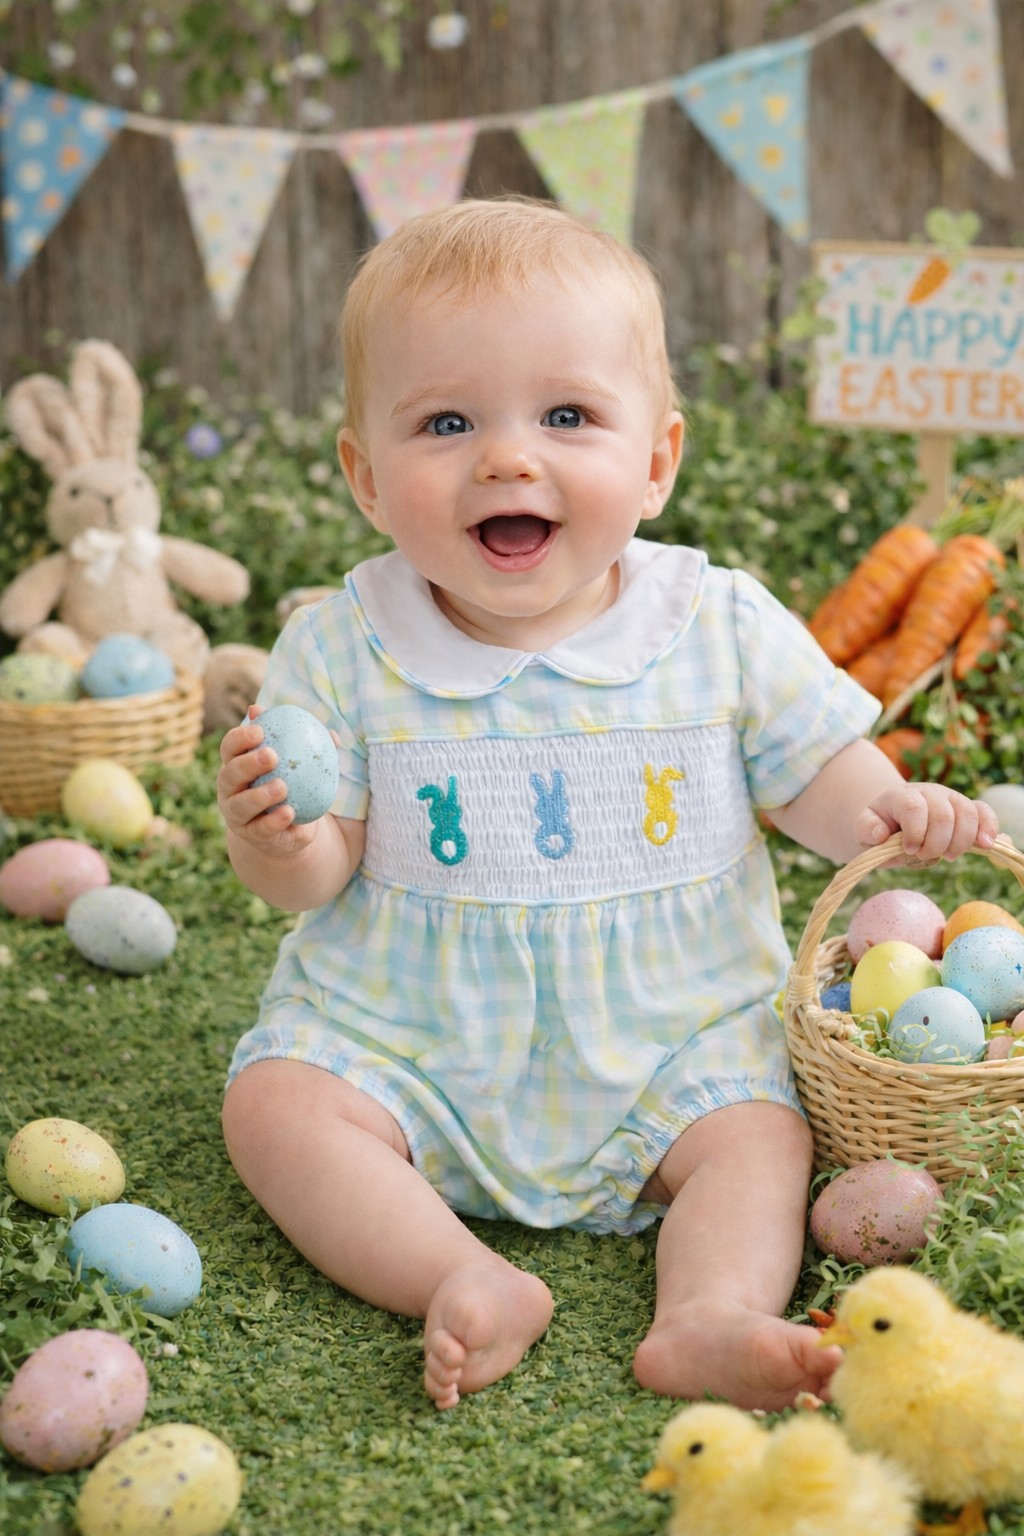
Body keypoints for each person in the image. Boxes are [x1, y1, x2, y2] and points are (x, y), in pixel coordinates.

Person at [217, 199, 998, 1413]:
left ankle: (706, 1316)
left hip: (668, 1045)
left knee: (758, 1136)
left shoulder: (717, 623)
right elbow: (318, 873)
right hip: (406, 1041)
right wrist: (274, 836)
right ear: (367, 480)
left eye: (566, 415)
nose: (507, 458)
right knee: (276, 1106)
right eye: (446, 422)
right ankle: (461, 1275)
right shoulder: (341, 643)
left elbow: (819, 782)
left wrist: (896, 812)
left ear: (656, 461)